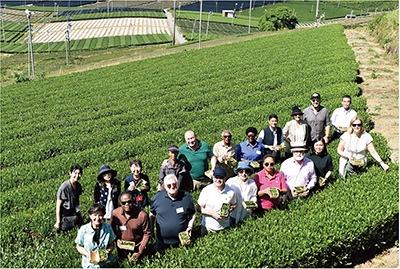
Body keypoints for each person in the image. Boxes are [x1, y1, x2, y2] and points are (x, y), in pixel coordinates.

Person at [149, 174, 196, 253]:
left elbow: (192, 213)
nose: (172, 187)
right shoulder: (157, 197)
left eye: (174, 184)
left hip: (182, 241)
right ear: (164, 186)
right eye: (169, 185)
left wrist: (190, 226)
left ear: (178, 184)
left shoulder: (186, 197)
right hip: (161, 241)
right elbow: (152, 214)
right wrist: (151, 231)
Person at [110, 192, 151, 262]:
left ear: (133, 201)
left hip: (137, 247)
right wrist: (117, 239)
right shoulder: (115, 213)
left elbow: (147, 233)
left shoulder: (142, 215)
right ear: (120, 203)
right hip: (122, 247)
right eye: (124, 203)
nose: (127, 204)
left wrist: (139, 251)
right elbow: (111, 228)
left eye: (129, 202)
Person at [197, 167, 237, 236]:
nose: (218, 180)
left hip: (224, 227)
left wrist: (231, 208)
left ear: (225, 178)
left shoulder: (231, 192)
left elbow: (234, 204)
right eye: (216, 177)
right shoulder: (206, 190)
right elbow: (198, 208)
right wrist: (212, 213)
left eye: (221, 178)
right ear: (213, 177)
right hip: (208, 227)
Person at [75, 203, 116, 268]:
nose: (97, 218)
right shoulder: (83, 229)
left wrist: (107, 252)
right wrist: (87, 254)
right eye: (95, 215)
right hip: (89, 264)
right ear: (90, 216)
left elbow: (111, 245)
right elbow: (79, 246)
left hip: (106, 263)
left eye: (100, 215)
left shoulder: (108, 228)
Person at [54, 164, 84, 231]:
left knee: (81, 226)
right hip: (65, 212)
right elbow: (58, 205)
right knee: (64, 230)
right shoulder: (64, 187)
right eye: (75, 173)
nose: (77, 175)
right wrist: (58, 222)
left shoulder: (78, 186)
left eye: (79, 173)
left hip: (74, 210)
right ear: (70, 173)